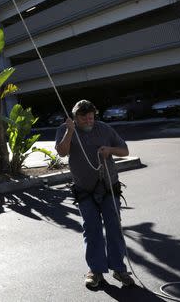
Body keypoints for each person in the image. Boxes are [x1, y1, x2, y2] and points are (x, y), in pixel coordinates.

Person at [55, 99, 136, 289]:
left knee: (114, 228)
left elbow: (125, 150)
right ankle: (95, 271)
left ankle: (119, 269)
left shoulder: (105, 129)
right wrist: (69, 132)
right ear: (75, 118)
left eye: (91, 117)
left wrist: (110, 150)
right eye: (84, 118)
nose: (88, 121)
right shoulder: (66, 129)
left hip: (109, 187)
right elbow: (62, 152)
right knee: (92, 230)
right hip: (84, 190)